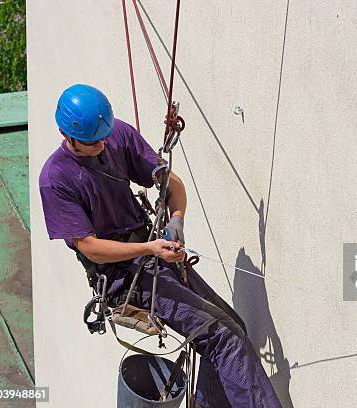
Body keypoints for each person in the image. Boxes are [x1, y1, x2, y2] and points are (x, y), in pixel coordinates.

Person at [39, 84, 282, 408]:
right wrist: (149, 249)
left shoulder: (117, 136)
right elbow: (90, 247)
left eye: (103, 138)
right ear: (65, 134)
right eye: (91, 142)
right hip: (123, 277)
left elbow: (172, 183)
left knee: (229, 329)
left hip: (153, 255)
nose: (100, 146)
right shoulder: (56, 178)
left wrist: (177, 218)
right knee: (224, 337)